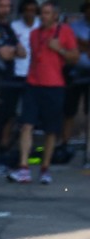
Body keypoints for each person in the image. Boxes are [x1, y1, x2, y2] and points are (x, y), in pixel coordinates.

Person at [8, 0, 78, 183]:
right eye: (42, 13)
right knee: (26, 125)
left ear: (55, 15)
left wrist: (60, 49)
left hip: (54, 85)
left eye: (47, 13)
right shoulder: (34, 34)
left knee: (51, 129)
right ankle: (24, 167)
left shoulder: (65, 32)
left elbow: (74, 56)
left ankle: (45, 167)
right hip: (33, 83)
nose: (43, 16)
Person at [0, 0, 26, 166]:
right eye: (2, 6)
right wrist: (13, 50)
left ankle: (2, 150)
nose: (5, 9)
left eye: (8, 6)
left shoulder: (8, 28)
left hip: (10, 77)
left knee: (9, 116)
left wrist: (13, 50)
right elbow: (4, 55)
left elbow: (22, 52)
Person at [62, 2, 90, 148]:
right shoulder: (75, 26)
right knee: (69, 109)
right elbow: (70, 45)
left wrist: (83, 44)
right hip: (76, 72)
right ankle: (65, 142)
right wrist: (82, 45)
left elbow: (80, 44)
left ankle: (88, 143)